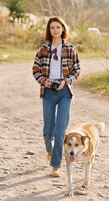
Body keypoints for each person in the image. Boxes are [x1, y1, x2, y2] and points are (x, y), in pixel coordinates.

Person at [32, 16, 80, 177]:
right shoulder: (43, 50)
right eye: (52, 27)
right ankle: (50, 151)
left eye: (58, 27)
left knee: (60, 131)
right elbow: (35, 70)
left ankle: (56, 164)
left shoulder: (71, 49)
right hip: (48, 92)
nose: (55, 30)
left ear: (63, 29)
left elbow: (77, 71)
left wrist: (66, 81)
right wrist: (44, 81)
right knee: (48, 130)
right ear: (49, 30)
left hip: (65, 91)